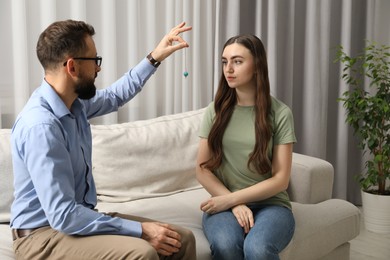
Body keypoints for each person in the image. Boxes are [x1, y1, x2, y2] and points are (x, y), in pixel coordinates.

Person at [10, 19, 196, 260]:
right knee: (143, 253)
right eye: (95, 60)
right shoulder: (41, 127)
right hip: (41, 237)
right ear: (72, 67)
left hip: (75, 222)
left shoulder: (74, 104)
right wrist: (140, 231)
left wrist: (154, 57)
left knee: (181, 240)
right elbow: (63, 216)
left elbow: (115, 96)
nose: (98, 68)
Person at [196, 34, 296, 260]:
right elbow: (201, 169)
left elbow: (281, 179)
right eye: (224, 61)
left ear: (257, 66)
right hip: (223, 203)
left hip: (272, 205)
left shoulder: (280, 113)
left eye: (237, 61)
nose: (228, 68)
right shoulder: (215, 111)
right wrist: (233, 204)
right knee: (226, 246)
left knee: (257, 249)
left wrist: (232, 200)